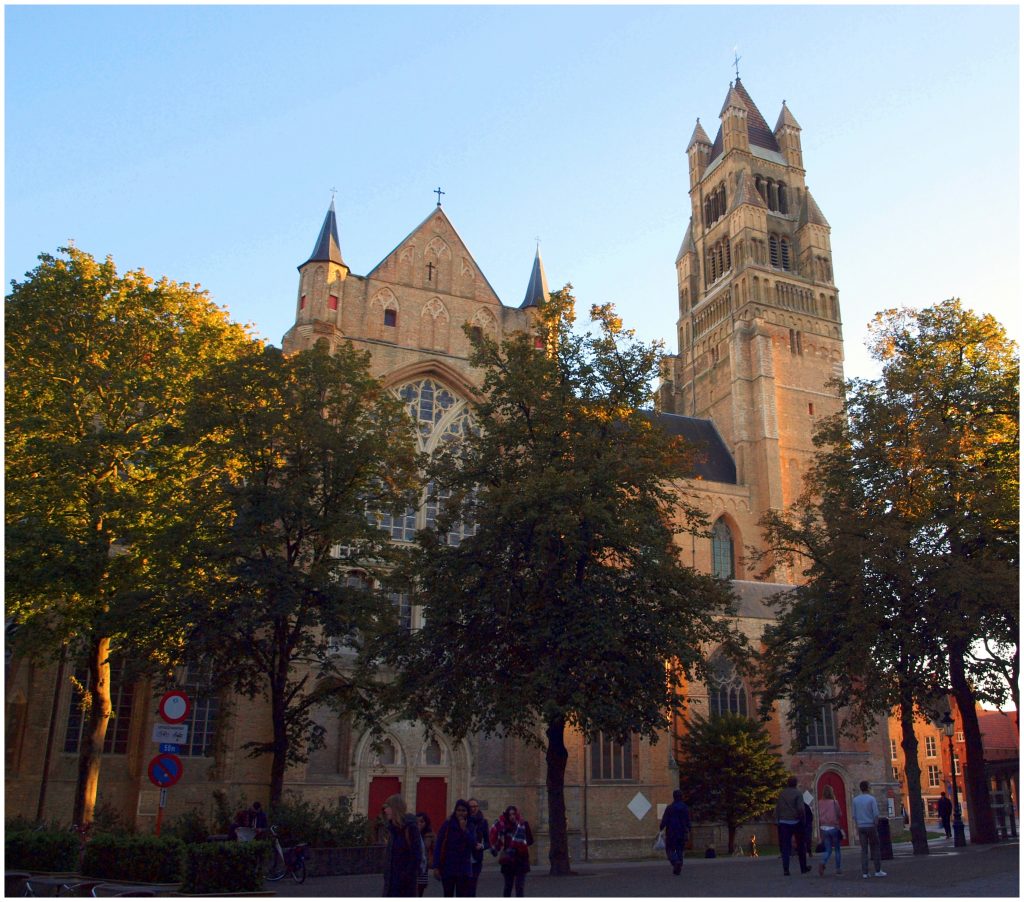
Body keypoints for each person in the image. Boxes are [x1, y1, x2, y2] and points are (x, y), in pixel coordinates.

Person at [488, 805, 534, 898]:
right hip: (508, 860)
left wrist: (520, 843)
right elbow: (497, 839)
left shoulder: (523, 824)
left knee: (519, 887)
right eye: (509, 815)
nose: (512, 816)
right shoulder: (503, 826)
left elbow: (530, 840)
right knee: (508, 886)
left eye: (513, 814)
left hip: (521, 859)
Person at [383, 794, 423, 897]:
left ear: (395, 808)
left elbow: (416, 856)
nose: (385, 810)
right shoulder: (392, 830)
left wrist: (406, 876)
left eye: (388, 807)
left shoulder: (410, 828)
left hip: (405, 886)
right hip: (391, 883)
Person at [433, 800, 476, 897]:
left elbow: (473, 843)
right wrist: (436, 866)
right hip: (448, 868)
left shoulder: (470, 826)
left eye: (464, 810)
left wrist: (464, 830)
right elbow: (439, 844)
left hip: (463, 869)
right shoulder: (447, 825)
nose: (461, 813)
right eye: (459, 810)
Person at [774, 776, 810, 876]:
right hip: (795, 821)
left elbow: (778, 807)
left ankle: (786, 869)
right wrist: (802, 818)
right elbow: (800, 808)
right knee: (801, 845)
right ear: (795, 783)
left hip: (783, 822)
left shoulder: (782, 794)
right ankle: (803, 868)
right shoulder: (798, 793)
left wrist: (777, 819)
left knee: (785, 847)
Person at [852, 781, 886, 879]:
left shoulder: (855, 800)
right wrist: (875, 825)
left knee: (864, 850)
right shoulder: (871, 799)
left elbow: (854, 815)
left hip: (861, 826)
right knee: (875, 847)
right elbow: (875, 814)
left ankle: (865, 872)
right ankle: (878, 870)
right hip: (870, 825)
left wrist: (857, 826)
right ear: (867, 788)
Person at [658, 789, 691, 875]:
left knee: (670, 849)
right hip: (682, 832)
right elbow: (688, 820)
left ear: (674, 797)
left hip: (671, 832)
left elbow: (665, 820)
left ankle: (675, 861)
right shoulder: (685, 808)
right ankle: (679, 863)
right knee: (680, 849)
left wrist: (661, 828)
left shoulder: (670, 808)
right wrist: (688, 829)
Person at [817, 784, 843, 876]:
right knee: (837, 849)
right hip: (833, 827)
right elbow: (839, 814)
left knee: (828, 849)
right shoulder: (834, 802)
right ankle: (838, 869)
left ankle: (823, 862)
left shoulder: (819, 803)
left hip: (824, 828)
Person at [467, 798, 488, 895]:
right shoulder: (463, 822)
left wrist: (482, 846)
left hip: (476, 860)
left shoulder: (483, 822)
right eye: (470, 807)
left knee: (472, 887)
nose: (473, 809)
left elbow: (488, 842)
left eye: (475, 806)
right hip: (464, 859)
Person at [416, 812, 435, 897]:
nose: (419, 824)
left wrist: (432, 861)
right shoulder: (411, 833)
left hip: (423, 866)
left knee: (420, 889)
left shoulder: (430, 835)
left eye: (422, 821)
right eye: (417, 822)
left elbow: (435, 849)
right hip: (412, 865)